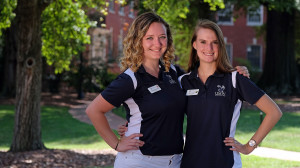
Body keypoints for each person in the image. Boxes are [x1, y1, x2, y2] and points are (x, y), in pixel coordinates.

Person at [86, 12, 249, 168]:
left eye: (162, 37)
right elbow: (94, 110)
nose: (157, 44)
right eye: (149, 38)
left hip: (175, 161)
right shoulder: (130, 79)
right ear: (138, 41)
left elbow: (205, 84)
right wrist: (116, 143)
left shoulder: (172, 72)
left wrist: (234, 72)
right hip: (140, 161)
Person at [178, 19, 282, 168]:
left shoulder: (235, 79)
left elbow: (274, 112)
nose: (209, 47)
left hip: (225, 162)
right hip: (191, 162)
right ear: (194, 44)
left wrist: (249, 146)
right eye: (203, 42)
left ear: (221, 45)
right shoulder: (183, 82)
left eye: (214, 42)